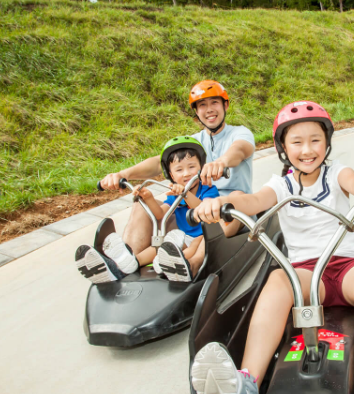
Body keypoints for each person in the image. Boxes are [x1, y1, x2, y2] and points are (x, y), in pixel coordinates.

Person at [188, 101, 354, 394]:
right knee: (277, 281)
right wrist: (223, 203)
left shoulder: (337, 172)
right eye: (297, 142)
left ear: (327, 142)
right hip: (304, 273)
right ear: (283, 148)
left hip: (349, 265)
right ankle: (245, 382)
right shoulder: (281, 184)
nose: (307, 150)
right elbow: (254, 201)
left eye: (315, 140)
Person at [97, 80, 255, 266]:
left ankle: (193, 263)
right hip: (192, 212)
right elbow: (158, 162)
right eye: (202, 105)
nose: (209, 109)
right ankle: (126, 263)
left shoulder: (240, 133)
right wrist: (123, 174)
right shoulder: (192, 143)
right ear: (196, 112)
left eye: (214, 103)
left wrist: (221, 162)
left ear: (225, 105)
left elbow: (239, 150)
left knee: (235, 197)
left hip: (227, 215)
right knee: (141, 205)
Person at [75, 137, 237, 283]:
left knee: (195, 244)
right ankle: (127, 262)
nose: (186, 173)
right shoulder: (175, 193)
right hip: (180, 236)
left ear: (201, 168)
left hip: (201, 235)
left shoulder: (208, 189)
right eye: (179, 170)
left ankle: (178, 264)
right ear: (171, 175)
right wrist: (149, 198)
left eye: (192, 167)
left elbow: (204, 210)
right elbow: (161, 214)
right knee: (159, 245)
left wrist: (185, 194)